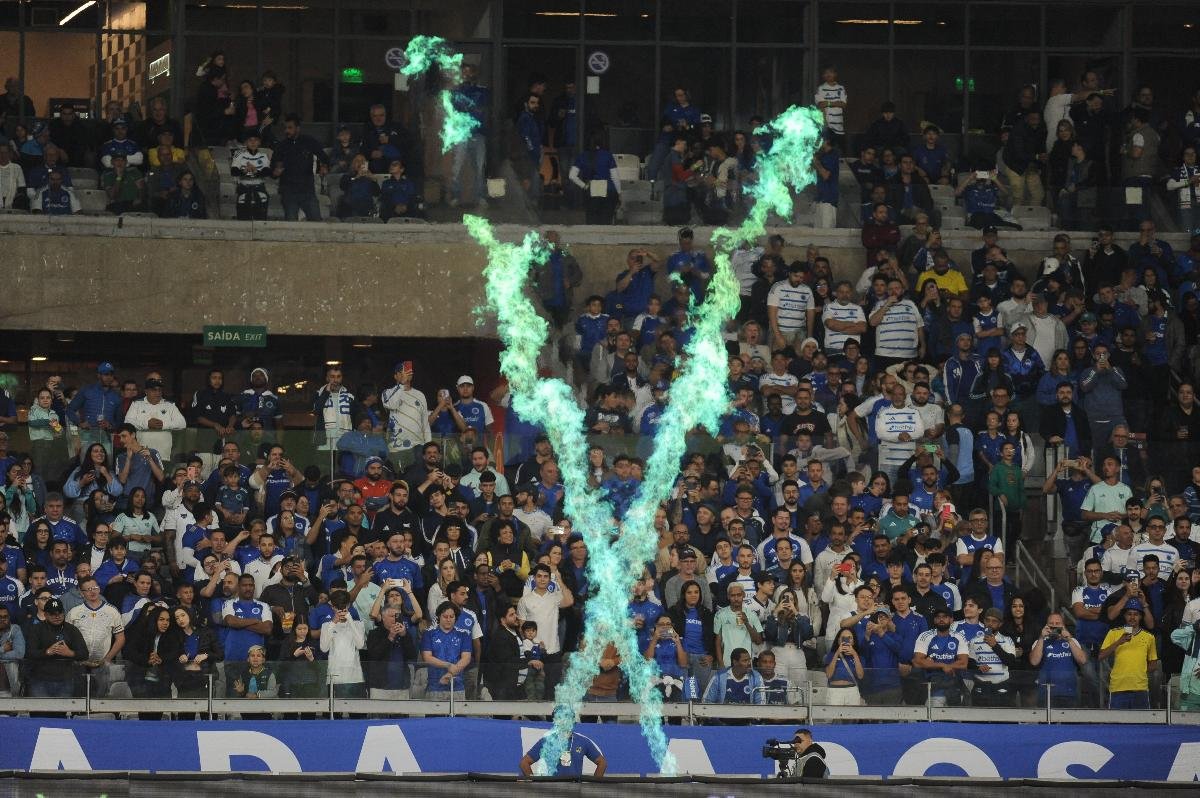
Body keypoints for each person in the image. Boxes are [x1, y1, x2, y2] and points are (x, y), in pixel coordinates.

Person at [1099, 599, 1158, 709]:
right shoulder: (1113, 633)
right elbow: (1101, 656)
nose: (1132, 617)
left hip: (1140, 688)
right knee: (1117, 725)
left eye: (1136, 614)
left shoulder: (1149, 637)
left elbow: (1153, 664)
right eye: (1129, 614)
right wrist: (1118, 642)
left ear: (1141, 616)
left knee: (1142, 725)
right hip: (1118, 687)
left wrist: (1138, 672)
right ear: (1124, 616)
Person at [270, 114, 329, 221]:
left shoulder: (309, 141)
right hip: (288, 190)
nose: (286, 131)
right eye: (285, 128)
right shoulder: (281, 146)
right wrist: (275, 172)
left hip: (307, 189)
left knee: (316, 221)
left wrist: (324, 166)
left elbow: (324, 157)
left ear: (298, 128)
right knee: (291, 222)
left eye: (290, 128)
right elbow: (273, 169)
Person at [1029, 612, 1089, 707]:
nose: (1054, 626)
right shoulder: (1039, 642)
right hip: (1046, 693)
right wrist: (1041, 637)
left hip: (1069, 692)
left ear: (1063, 626)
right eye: (1051, 624)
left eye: (1057, 624)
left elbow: (1083, 660)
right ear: (1046, 625)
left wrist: (1069, 639)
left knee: (1069, 721)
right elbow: (1034, 661)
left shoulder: (1072, 641)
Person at [520, 729, 607, 778]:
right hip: (551, 789)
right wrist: (533, 783)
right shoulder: (547, 741)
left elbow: (602, 763)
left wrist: (595, 784)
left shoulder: (583, 741)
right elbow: (524, 763)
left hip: (575, 789)